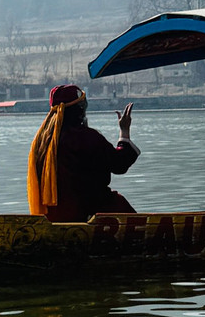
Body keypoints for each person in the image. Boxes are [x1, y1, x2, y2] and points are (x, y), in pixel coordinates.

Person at [27, 84, 140, 222]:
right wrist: (124, 132)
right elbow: (119, 164)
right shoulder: (85, 137)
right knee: (121, 207)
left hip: (53, 215)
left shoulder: (41, 142)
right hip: (88, 212)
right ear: (80, 110)